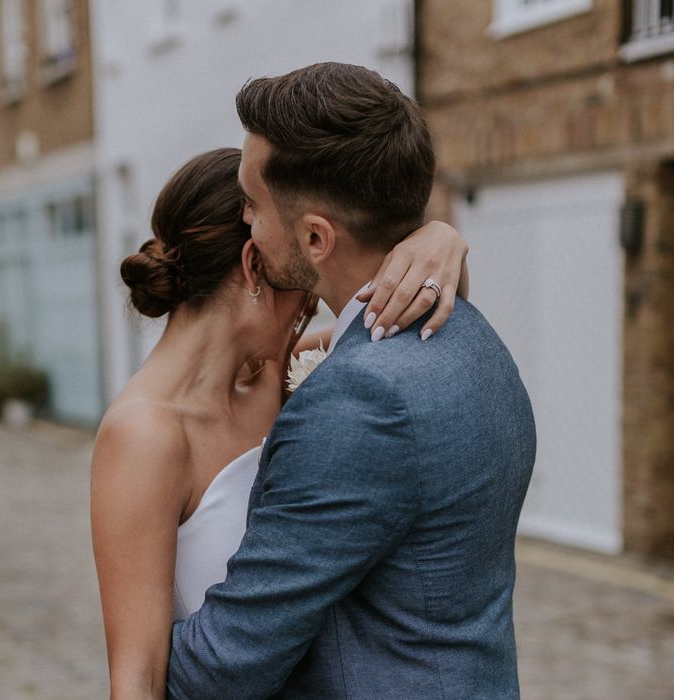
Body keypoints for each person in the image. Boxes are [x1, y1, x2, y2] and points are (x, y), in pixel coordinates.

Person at [165, 63, 536, 699]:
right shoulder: (476, 340)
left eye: (252, 205)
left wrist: (134, 644)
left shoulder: (359, 400)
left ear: (315, 237)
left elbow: (224, 665)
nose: (245, 225)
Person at [91, 146, 470, 698]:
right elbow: (137, 678)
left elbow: (397, 325)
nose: (314, 303)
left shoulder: (281, 377)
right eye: (303, 278)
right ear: (254, 266)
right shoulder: (144, 436)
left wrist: (443, 240)